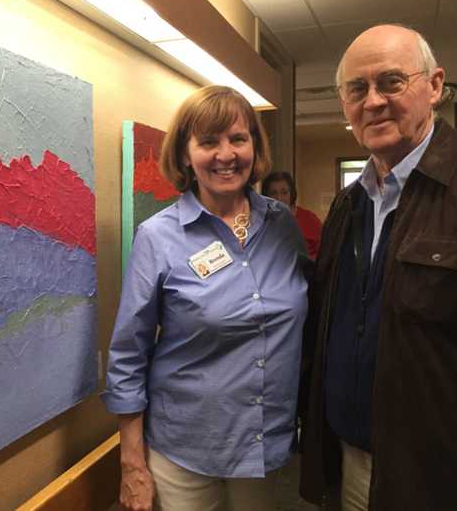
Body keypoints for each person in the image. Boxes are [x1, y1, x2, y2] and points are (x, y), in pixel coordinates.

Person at [299, 24, 457, 511]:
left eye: (391, 82)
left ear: (435, 86)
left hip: (444, 483)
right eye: (357, 89)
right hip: (351, 468)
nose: (373, 101)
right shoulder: (347, 205)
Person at [102, 85, 308, 511]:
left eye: (238, 138)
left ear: (255, 146)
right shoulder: (158, 236)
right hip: (185, 452)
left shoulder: (282, 224)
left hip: (263, 443)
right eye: (208, 141)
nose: (225, 154)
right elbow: (128, 352)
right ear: (184, 155)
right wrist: (131, 462)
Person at [262, 171, 323, 259]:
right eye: (273, 193)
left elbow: (325, 254)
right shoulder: (261, 221)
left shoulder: (309, 219)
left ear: (292, 194)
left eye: (284, 192)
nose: (279, 198)